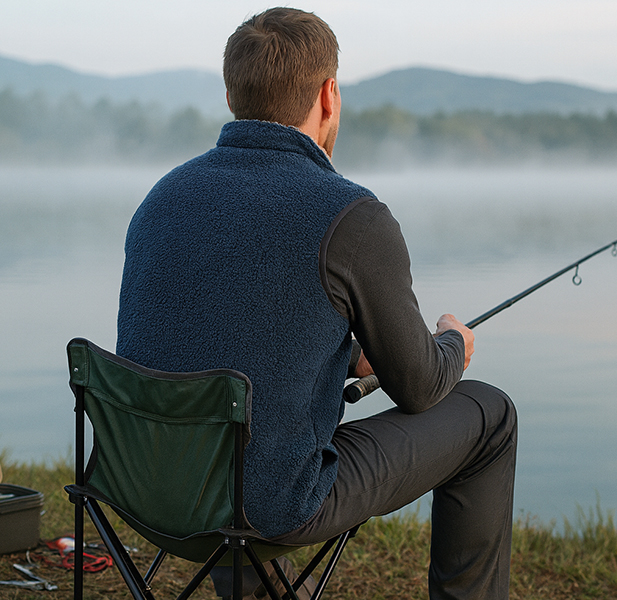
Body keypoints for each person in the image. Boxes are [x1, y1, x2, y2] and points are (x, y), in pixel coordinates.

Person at [116, 7, 517, 599]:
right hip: (274, 503)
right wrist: (454, 341)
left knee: (233, 434)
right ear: (329, 95)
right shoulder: (351, 215)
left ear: (231, 94)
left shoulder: (163, 196)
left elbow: (224, 328)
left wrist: (348, 353)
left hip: (147, 487)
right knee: (490, 415)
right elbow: (421, 387)